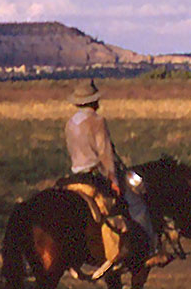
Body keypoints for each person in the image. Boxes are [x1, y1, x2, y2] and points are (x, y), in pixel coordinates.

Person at [62, 79, 165, 274]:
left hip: (76, 175)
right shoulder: (97, 121)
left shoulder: (70, 123)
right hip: (95, 174)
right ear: (94, 102)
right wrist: (114, 180)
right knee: (137, 204)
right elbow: (106, 154)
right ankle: (150, 251)